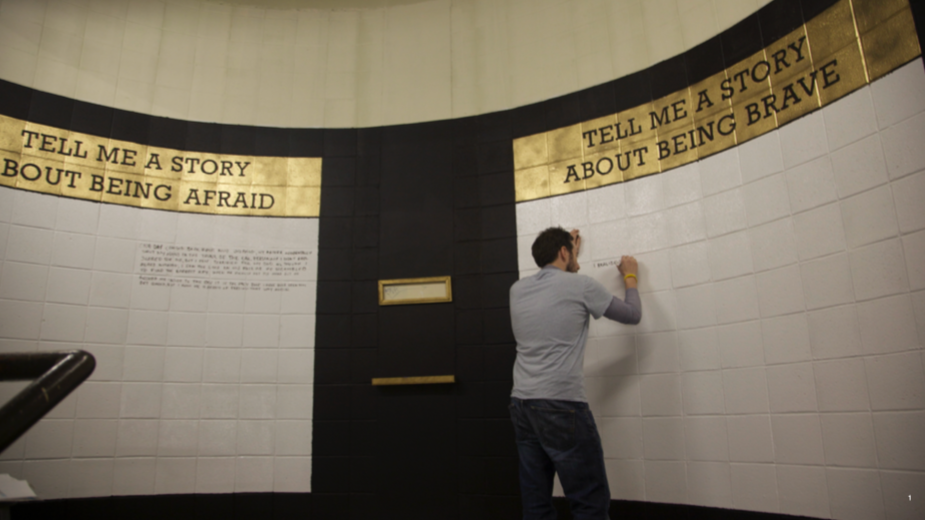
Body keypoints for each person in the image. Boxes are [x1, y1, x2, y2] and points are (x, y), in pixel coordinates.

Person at [509, 226, 641, 520]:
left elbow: (555, 297)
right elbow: (632, 315)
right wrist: (630, 276)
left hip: (522, 404)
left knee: (536, 503)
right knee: (589, 503)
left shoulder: (517, 290)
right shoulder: (581, 286)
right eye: (571, 251)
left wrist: (570, 256)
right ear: (564, 252)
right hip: (562, 406)